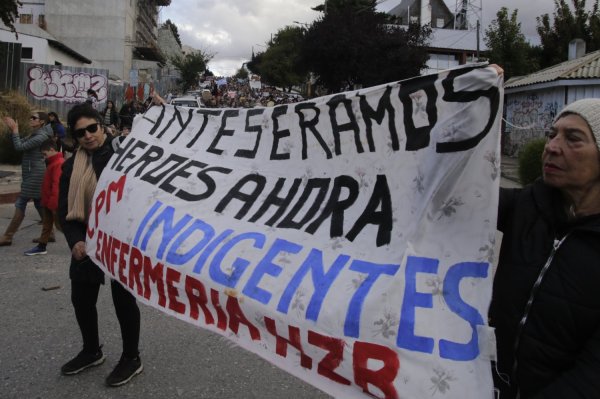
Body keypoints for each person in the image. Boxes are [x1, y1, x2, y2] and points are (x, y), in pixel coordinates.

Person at [490, 97, 600, 398]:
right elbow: (458, 195)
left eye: (573, 139)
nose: (552, 146)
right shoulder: (528, 205)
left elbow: (591, 377)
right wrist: (472, 96)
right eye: (552, 134)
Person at [57, 103, 143, 386]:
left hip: (121, 239)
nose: (88, 136)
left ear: (101, 124)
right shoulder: (71, 166)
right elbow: (63, 213)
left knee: (123, 300)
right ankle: (91, 351)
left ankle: (131, 357)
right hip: (86, 239)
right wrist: (76, 241)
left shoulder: (127, 156)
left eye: (92, 128)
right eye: (80, 133)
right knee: (81, 299)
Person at [0, 112, 53, 246]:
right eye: (30, 117)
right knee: (39, 203)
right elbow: (20, 142)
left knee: (21, 202)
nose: (31, 119)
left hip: (35, 175)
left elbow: (19, 147)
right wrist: (14, 132)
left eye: (34, 118)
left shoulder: (40, 136)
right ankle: (50, 233)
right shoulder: (35, 134)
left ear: (42, 122)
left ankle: (7, 236)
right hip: (32, 173)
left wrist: (15, 130)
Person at [25, 139, 64, 255]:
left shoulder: (58, 163)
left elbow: (57, 185)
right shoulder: (53, 162)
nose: (44, 157)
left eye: (44, 154)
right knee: (47, 226)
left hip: (53, 203)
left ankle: (80, 243)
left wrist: (53, 204)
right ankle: (42, 246)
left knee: (62, 226)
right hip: (48, 202)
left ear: (52, 150)